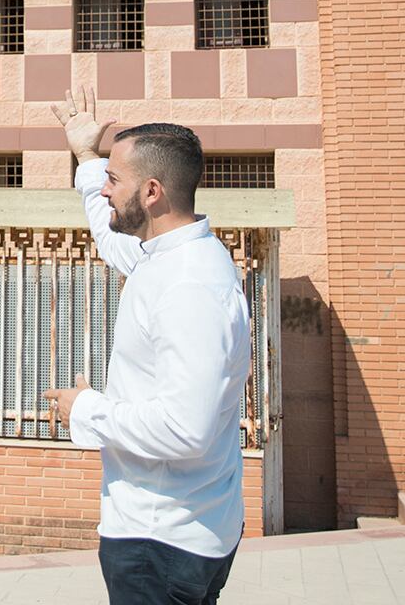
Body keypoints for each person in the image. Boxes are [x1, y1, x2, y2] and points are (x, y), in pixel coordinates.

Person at [42, 89, 251, 605]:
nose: (107, 191)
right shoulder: (166, 256)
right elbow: (111, 237)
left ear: (152, 191)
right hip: (174, 528)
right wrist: (88, 158)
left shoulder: (189, 287)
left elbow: (186, 430)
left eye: (116, 180)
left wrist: (85, 410)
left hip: (164, 540)